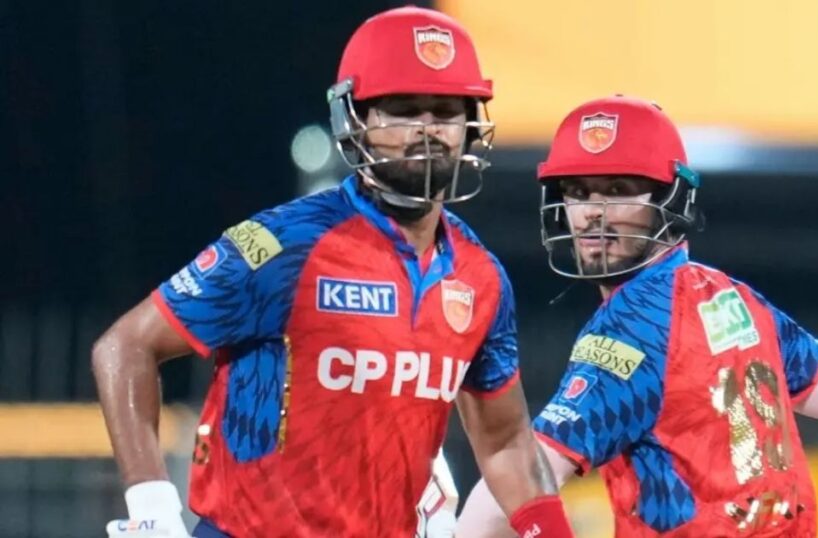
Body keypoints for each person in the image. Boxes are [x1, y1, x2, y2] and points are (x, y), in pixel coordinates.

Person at [93, 7, 575, 537]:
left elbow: (505, 442)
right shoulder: (284, 244)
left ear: (471, 125)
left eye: (445, 111)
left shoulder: (480, 276)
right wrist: (153, 511)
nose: (427, 130)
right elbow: (126, 346)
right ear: (354, 120)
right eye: (402, 110)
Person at [456, 95, 818, 537]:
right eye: (578, 191)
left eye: (618, 190)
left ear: (672, 199)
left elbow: (520, 477)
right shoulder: (735, 299)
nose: (592, 213)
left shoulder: (631, 331)